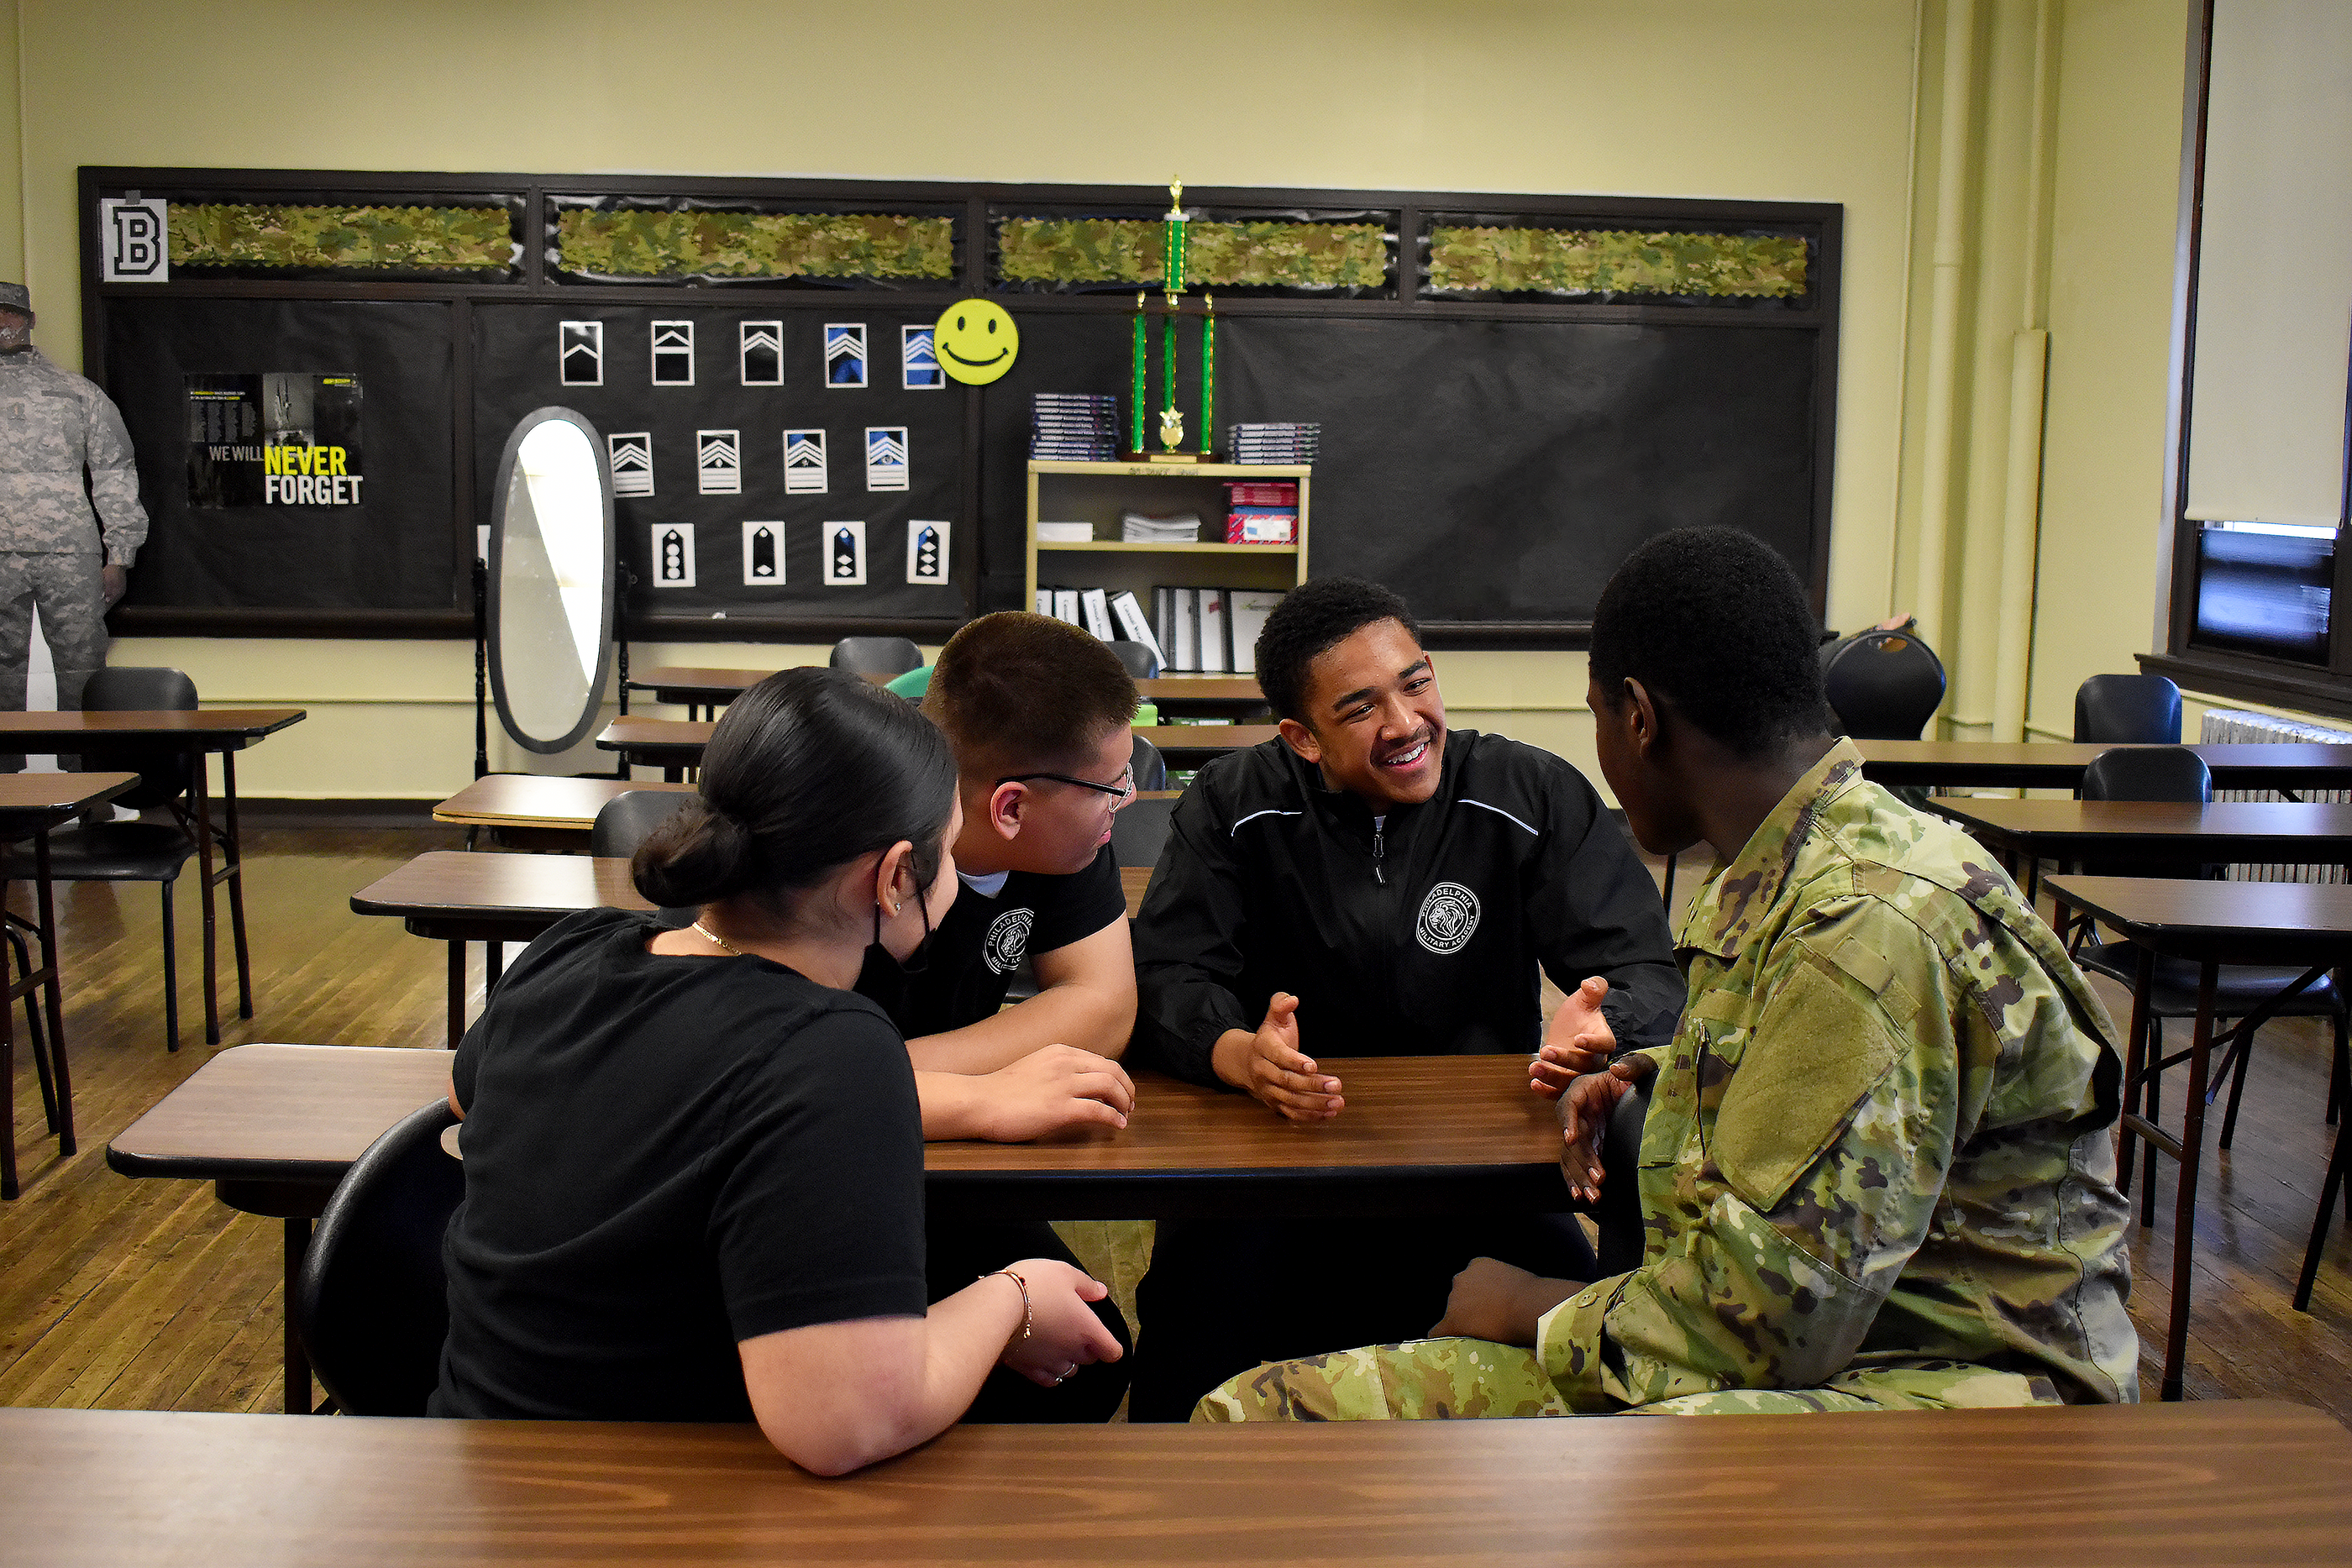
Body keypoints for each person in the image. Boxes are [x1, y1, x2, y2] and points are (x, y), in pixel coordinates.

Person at [1197, 527, 2137, 1422]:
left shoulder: (1860, 932)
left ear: (1638, 718)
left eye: (1599, 711)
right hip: (1860, 1347)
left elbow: (1767, 1327)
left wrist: (1531, 1304)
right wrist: (1651, 1068)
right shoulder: (1823, 863)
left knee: (1253, 1417)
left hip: (1941, 1396)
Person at [431, 669, 1122, 1473]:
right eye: (948, 852)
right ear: (896, 877)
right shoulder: (830, 1049)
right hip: (644, 1507)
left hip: (481, 1470)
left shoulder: (571, 951)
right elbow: (844, 1426)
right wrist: (1018, 1292)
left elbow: (462, 1093)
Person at [1124, 575, 1683, 1419]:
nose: (1405, 723)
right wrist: (1240, 1055)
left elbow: (1648, 973)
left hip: (1481, 1165)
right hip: (1271, 1162)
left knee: (1597, 1341)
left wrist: (1605, 1029)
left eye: (1415, 682)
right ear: (1301, 737)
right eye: (1359, 708)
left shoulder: (1526, 793)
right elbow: (1167, 977)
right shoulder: (1231, 805)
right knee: (1183, 1356)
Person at [854, 610, 1144, 1420]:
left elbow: (1104, 1004)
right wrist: (984, 1089)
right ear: (1009, 806)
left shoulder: (1068, 833)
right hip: (820, 1170)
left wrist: (889, 1074)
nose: (1124, 799)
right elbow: (768, 1083)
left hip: (933, 1148)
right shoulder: (852, 840)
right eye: (1111, 786)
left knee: (1091, 1354)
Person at [0, 282, 147, 770]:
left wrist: (120, 555)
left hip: (70, 553)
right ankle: (7, 795)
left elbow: (115, 472)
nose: (4, 322)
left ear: (30, 320)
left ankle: (89, 787)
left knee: (82, 668)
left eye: (11, 314)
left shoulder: (77, 392)